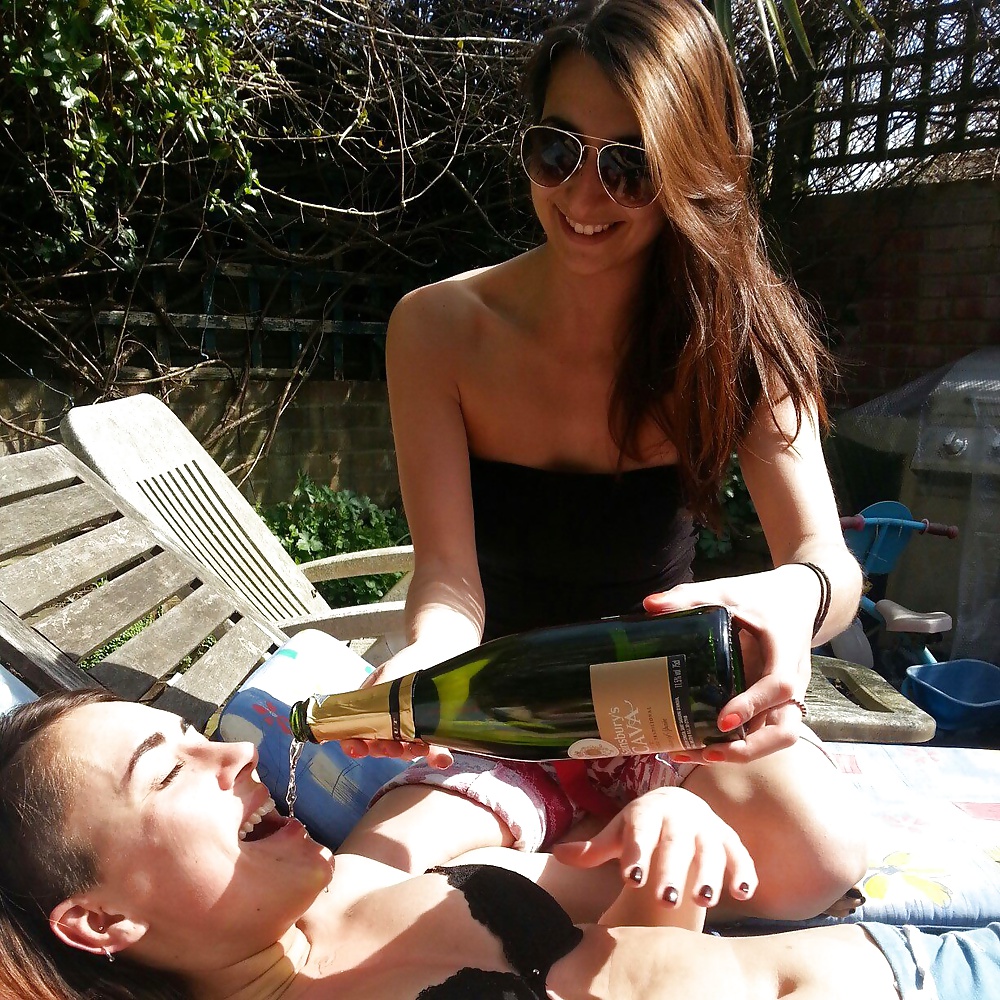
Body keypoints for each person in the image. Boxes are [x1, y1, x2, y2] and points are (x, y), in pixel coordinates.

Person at [339, 0, 867, 920]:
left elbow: (829, 561)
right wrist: (427, 659)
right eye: (558, 151)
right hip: (503, 716)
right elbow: (449, 578)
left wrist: (792, 596)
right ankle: (627, 874)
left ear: (693, 170)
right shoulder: (438, 328)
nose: (584, 199)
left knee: (820, 858)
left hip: (669, 709)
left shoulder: (740, 341)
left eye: (632, 166)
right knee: (365, 886)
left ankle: (534, 886)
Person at [2, 691, 997, 1000]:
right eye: (167, 772)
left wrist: (661, 838)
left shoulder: (353, 881)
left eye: (196, 733)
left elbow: (612, 925)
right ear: (101, 919)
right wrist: (668, 891)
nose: (231, 751)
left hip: (910, 959)